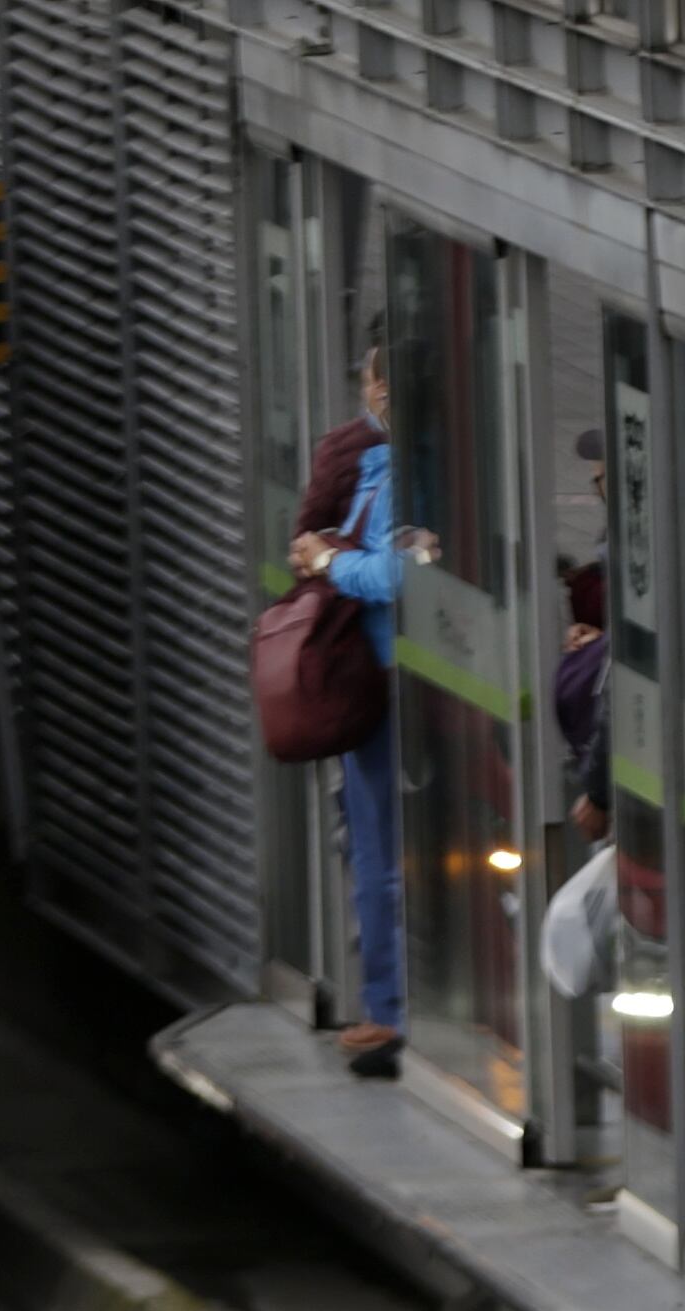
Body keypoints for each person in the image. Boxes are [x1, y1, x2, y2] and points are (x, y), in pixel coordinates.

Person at [285, 342, 435, 1076]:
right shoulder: (374, 461)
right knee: (376, 848)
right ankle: (391, 1001)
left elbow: (392, 577)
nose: (380, 394)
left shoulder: (400, 470)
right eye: (376, 381)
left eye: (387, 380)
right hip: (381, 678)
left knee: (379, 853)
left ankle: (389, 1010)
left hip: (390, 680)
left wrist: (327, 562)